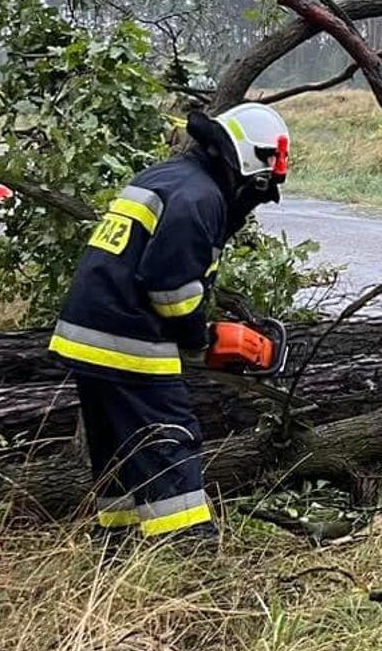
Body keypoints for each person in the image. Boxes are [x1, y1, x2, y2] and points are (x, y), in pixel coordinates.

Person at [49, 102, 290, 545]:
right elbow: (169, 286)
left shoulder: (165, 177)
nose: (255, 200)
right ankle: (191, 552)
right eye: (260, 188)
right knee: (169, 440)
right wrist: (202, 339)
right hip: (127, 341)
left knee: (118, 451)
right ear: (250, 166)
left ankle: (117, 548)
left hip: (86, 336)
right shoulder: (202, 197)